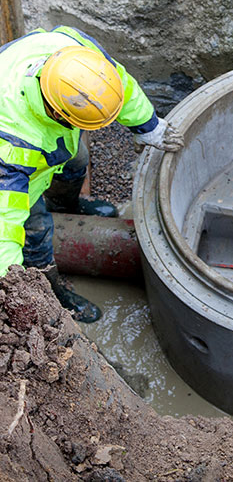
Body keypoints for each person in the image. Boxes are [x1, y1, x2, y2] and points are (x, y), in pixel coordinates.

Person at [0, 25, 184, 322]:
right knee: (35, 231)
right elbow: (3, 226)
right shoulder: (10, 144)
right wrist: (10, 287)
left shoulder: (77, 53)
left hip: (46, 136)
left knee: (75, 161)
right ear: (60, 114)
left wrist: (149, 127)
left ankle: (65, 206)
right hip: (15, 172)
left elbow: (118, 85)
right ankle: (51, 291)